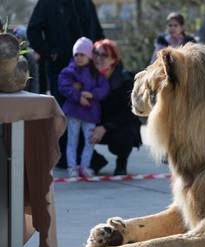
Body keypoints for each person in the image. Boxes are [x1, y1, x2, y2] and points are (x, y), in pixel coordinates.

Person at [27, 0, 105, 168]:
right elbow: (33, 31)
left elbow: (98, 33)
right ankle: (64, 157)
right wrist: (51, 53)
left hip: (89, 71)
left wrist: (100, 58)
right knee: (64, 113)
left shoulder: (86, 4)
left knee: (87, 112)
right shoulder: (48, 4)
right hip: (61, 69)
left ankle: (86, 156)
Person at [89, 39, 142, 175]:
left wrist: (105, 127)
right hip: (94, 123)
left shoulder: (125, 80)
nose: (98, 58)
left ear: (113, 60)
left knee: (123, 138)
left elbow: (128, 113)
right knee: (70, 131)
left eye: (104, 55)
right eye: (96, 54)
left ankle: (121, 162)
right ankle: (95, 161)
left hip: (118, 125)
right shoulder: (87, 76)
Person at [58, 37, 109, 177]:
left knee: (89, 141)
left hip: (91, 113)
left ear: (89, 56)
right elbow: (63, 86)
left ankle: (85, 166)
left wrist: (92, 94)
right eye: (76, 54)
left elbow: (104, 88)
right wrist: (78, 96)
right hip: (74, 113)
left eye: (82, 54)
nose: (79, 58)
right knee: (72, 141)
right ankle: (72, 167)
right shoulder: (69, 71)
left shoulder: (96, 73)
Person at [12, 26, 40, 93]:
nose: (17, 40)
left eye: (19, 38)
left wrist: (34, 95)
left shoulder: (29, 57)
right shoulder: (10, 55)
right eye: (16, 37)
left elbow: (34, 78)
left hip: (25, 92)